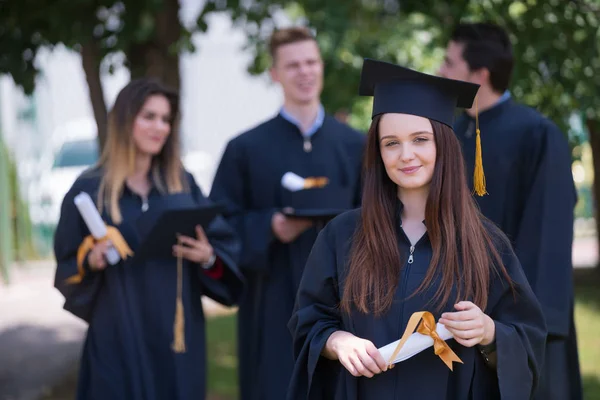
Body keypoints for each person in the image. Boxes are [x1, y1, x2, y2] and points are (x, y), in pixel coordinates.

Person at [287, 58, 547, 400]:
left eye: (420, 139)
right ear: (378, 153)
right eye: (391, 143)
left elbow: (527, 339)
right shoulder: (342, 235)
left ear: (443, 144)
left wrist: (489, 331)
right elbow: (309, 322)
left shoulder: (484, 243)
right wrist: (338, 341)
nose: (406, 154)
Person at [53, 78, 244, 400]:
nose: (160, 127)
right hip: (117, 335)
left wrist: (207, 256)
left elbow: (225, 253)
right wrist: (91, 259)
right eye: (149, 116)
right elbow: (67, 268)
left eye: (166, 119)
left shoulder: (181, 186)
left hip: (176, 337)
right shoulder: (90, 190)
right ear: (125, 120)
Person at [209, 27, 366, 400]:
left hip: (344, 306)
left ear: (322, 67)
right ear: (275, 74)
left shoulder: (357, 146)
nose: (304, 72)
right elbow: (219, 227)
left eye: (311, 62)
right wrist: (270, 227)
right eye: (293, 65)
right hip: (272, 304)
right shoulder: (245, 149)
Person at [438, 22, 582, 400]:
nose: (441, 71)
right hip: (462, 316)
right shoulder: (450, 134)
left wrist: (531, 328)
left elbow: (548, 235)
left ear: (479, 75)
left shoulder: (538, 134)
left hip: (521, 323)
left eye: (449, 62)